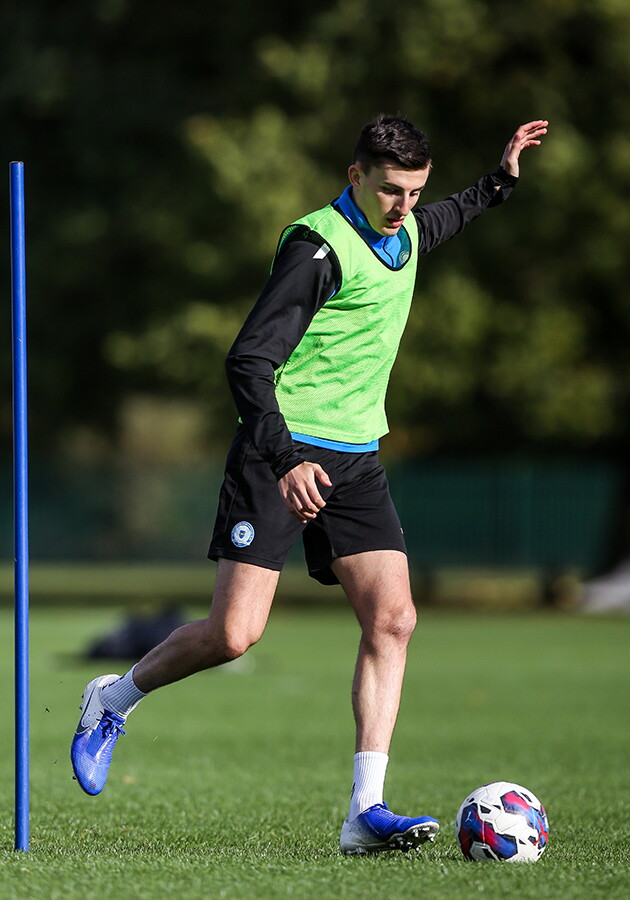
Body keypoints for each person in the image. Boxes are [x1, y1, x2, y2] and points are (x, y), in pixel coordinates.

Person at [71, 114, 547, 854]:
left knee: (393, 620)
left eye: (414, 191)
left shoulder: (412, 227)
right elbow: (247, 361)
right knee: (235, 636)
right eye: (390, 190)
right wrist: (288, 459)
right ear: (354, 175)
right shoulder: (317, 247)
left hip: (356, 459)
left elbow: (448, 218)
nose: (404, 206)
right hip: (281, 452)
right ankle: (113, 697)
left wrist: (500, 179)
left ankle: (364, 811)